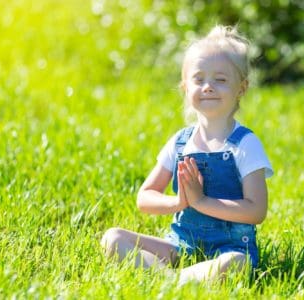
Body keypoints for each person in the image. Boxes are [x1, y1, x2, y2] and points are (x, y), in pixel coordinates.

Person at [100, 25, 273, 284]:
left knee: (236, 264)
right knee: (112, 238)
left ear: (242, 88)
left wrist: (202, 202)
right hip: (180, 247)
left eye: (220, 80)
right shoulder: (180, 142)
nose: (208, 87)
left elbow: (256, 210)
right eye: (199, 79)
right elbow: (144, 198)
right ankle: (179, 278)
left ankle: (165, 278)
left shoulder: (245, 144)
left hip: (228, 249)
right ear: (185, 86)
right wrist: (179, 203)